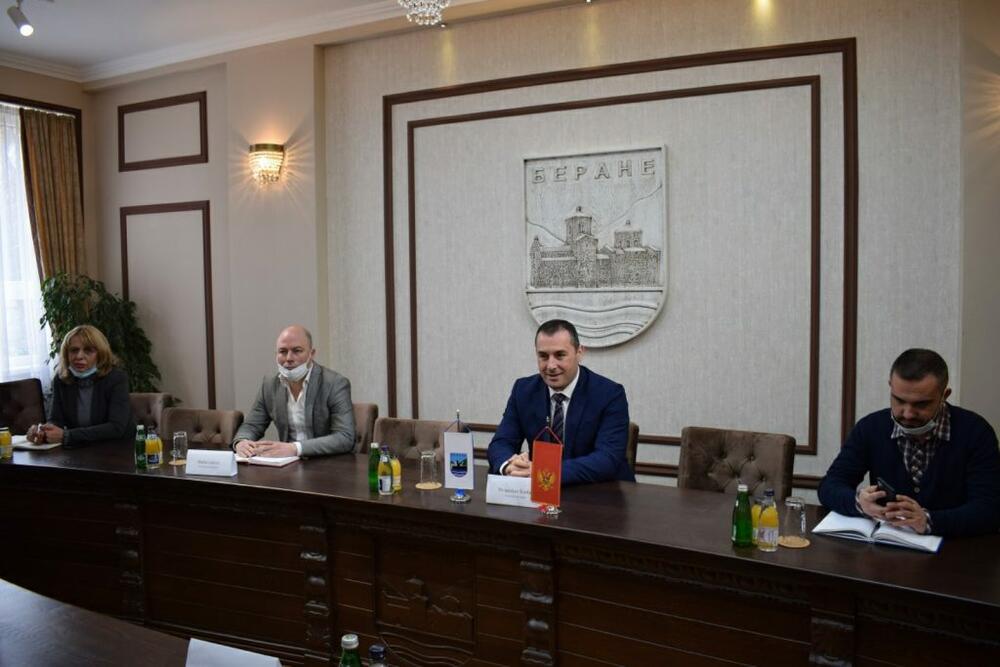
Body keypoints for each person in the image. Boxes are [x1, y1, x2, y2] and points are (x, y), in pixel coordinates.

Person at [818, 348, 1000, 537]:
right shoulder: (871, 427)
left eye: (921, 404)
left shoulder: (976, 432)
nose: (908, 413)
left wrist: (929, 521)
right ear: (891, 387)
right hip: (888, 546)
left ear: (944, 395)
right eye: (899, 400)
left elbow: (989, 509)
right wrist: (859, 502)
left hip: (954, 549)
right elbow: (829, 486)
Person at [487, 319, 634, 485]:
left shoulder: (609, 394)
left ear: (579, 353)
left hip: (600, 492)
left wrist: (544, 471)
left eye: (560, 355)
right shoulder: (523, 390)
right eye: (543, 356)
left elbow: (607, 459)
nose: (551, 365)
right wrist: (509, 466)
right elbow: (501, 443)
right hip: (540, 489)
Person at [233, 325, 355, 458]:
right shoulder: (270, 384)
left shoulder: (334, 383)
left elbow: (345, 437)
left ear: (311, 354)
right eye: (283, 351)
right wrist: (242, 442)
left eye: (297, 351)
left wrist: (295, 448)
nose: (289, 358)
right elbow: (252, 425)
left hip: (327, 463)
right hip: (287, 464)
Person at [27, 324, 134, 448]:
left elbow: (116, 428)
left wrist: (67, 436)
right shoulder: (61, 379)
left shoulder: (116, 378)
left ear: (100, 354)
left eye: (88, 351)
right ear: (66, 354)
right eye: (74, 350)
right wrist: (43, 431)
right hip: (79, 449)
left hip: (117, 449)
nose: (79, 356)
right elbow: (56, 420)